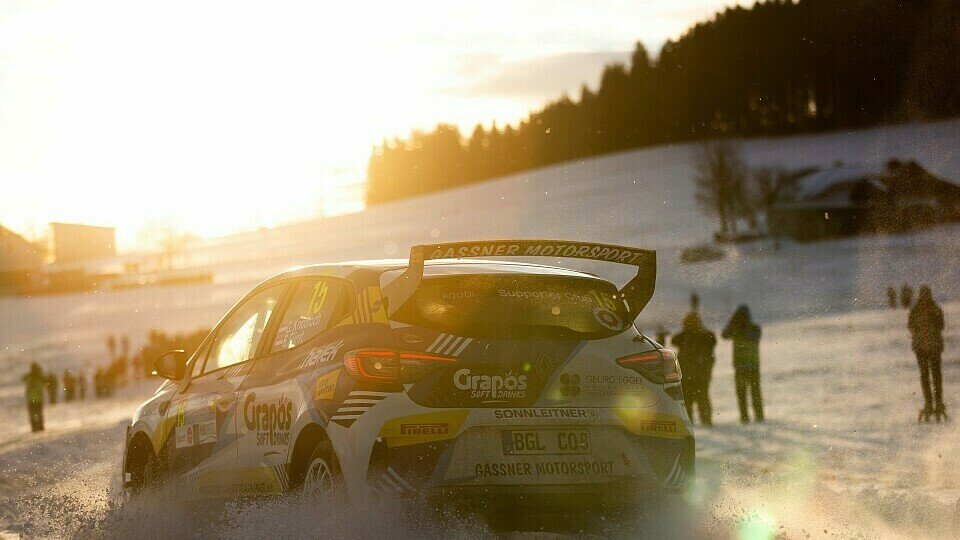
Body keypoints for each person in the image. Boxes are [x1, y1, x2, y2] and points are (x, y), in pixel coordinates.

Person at [672, 312, 717, 426]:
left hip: (691, 374)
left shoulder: (696, 336)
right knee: (699, 398)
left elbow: (674, 340)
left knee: (692, 399)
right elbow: (674, 340)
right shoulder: (701, 335)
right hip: (696, 374)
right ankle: (703, 421)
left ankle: (692, 422)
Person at [909, 286, 946, 422]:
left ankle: (932, 403)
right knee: (933, 377)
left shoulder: (916, 310)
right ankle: (935, 403)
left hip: (925, 348)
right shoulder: (934, 309)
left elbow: (911, 326)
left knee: (929, 377)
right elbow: (941, 326)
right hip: (930, 347)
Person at [723, 305, 764, 423]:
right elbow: (724, 335)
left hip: (751, 365)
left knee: (754, 393)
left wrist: (741, 328)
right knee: (742, 394)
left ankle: (758, 416)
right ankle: (745, 417)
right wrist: (732, 323)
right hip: (742, 366)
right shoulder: (736, 328)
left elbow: (754, 337)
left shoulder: (754, 328)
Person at [23, 362, 46, 432]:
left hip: (32, 398)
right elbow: (45, 383)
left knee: (34, 413)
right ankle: (39, 426)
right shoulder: (38, 377)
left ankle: (35, 427)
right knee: (38, 413)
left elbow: (24, 379)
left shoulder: (30, 377)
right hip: (37, 398)